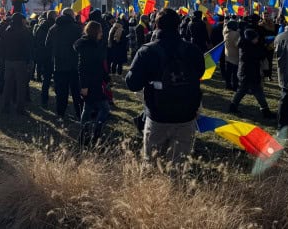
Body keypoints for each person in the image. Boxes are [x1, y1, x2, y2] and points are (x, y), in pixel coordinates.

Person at [125, 9, 205, 164]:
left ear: (156, 25)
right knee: (179, 166)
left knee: (151, 165)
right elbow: (199, 73)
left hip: (158, 116)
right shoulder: (193, 50)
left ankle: (156, 189)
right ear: (179, 25)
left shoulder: (147, 51)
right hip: (186, 114)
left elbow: (132, 83)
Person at [75, 21, 110, 147]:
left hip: (96, 81)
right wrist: (84, 86)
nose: (102, 33)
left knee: (88, 107)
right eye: (100, 31)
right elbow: (82, 68)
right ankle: (95, 133)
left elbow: (99, 64)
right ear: (95, 32)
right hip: (90, 83)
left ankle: (85, 135)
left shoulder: (95, 44)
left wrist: (106, 78)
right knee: (104, 108)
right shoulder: (86, 46)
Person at [228, 28, 276, 118]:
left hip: (246, 73)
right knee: (257, 92)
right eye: (255, 38)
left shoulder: (246, 45)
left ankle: (233, 107)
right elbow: (259, 55)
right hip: (249, 74)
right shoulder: (247, 47)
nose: (257, 40)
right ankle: (265, 111)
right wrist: (267, 48)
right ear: (250, 39)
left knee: (242, 91)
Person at [45, 8, 82, 120]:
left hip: (59, 64)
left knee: (61, 92)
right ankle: (80, 114)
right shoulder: (76, 28)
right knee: (76, 91)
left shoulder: (53, 28)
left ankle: (60, 113)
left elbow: (47, 44)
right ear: (71, 15)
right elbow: (80, 45)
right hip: (74, 65)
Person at [0, 13, 33, 115]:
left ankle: (5, 107)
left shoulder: (7, 30)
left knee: (8, 85)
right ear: (21, 20)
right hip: (20, 61)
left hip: (8, 60)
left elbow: (3, 45)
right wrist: (29, 61)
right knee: (21, 86)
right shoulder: (25, 31)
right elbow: (28, 48)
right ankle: (20, 108)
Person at [34, 11, 57, 107]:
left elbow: (37, 42)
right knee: (57, 80)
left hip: (44, 57)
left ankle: (44, 99)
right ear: (54, 17)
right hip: (54, 57)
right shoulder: (56, 27)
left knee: (46, 80)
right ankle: (58, 99)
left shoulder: (40, 27)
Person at [223, 18, 240, 90]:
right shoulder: (236, 34)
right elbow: (237, 44)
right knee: (235, 72)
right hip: (235, 54)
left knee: (228, 72)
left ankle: (228, 85)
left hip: (227, 54)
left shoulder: (225, 32)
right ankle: (235, 86)